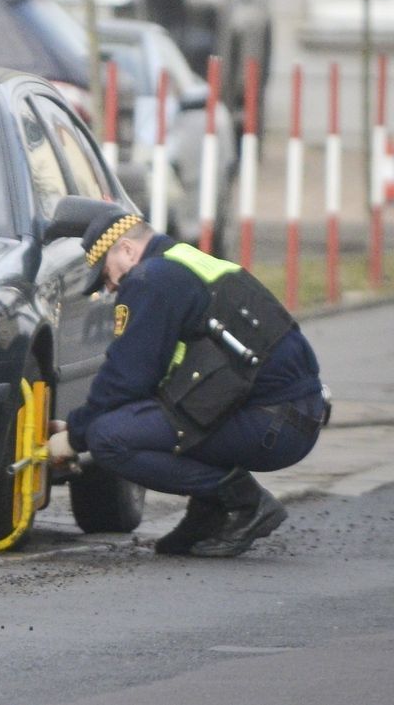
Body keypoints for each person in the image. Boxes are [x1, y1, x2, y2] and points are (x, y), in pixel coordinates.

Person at [43, 196, 328, 558]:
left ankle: (243, 502)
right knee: (149, 415)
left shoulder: (149, 279)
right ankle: (208, 512)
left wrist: (76, 436)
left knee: (108, 438)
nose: (109, 287)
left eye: (106, 273)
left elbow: (128, 376)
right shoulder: (181, 262)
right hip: (290, 415)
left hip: (272, 423)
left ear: (127, 251)